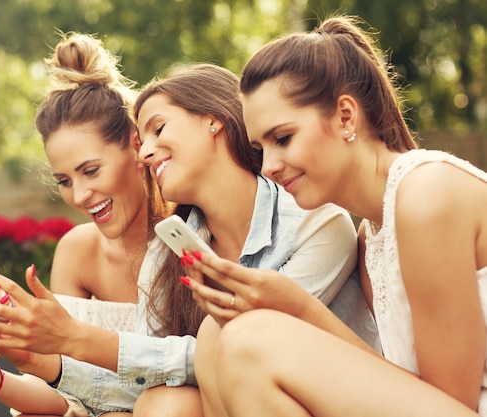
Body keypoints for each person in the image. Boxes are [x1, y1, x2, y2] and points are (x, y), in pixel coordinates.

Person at [182, 15, 487, 416]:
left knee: (250, 341)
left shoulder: (426, 195)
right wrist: (290, 307)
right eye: (260, 149)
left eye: (283, 138)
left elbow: (453, 403)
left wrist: (298, 308)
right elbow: (401, 390)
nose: (269, 165)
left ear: (346, 116)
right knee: (214, 337)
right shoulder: (370, 237)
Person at [0, 32, 204, 417]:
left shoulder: (195, 235)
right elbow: (67, 398)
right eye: (65, 181)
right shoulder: (78, 251)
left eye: (91, 170)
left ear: (137, 146)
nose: (81, 195)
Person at [133, 62, 379, 413]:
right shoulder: (166, 251)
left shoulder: (316, 224)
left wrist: (85, 345)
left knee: (216, 336)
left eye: (158, 129)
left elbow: (253, 347)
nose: (144, 153)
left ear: (212, 119)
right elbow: (148, 374)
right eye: (141, 143)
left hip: (330, 399)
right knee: (167, 403)